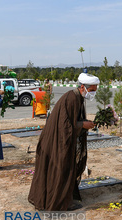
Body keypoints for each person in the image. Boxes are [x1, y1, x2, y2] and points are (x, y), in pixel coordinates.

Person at [28, 73, 98, 211]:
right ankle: (57, 202)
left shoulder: (78, 97)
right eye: (92, 90)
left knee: (62, 168)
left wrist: (83, 123)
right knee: (61, 168)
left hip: (59, 138)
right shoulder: (71, 98)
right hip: (56, 140)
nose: (94, 93)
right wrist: (82, 125)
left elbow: (71, 121)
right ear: (83, 87)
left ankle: (60, 197)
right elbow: (64, 126)